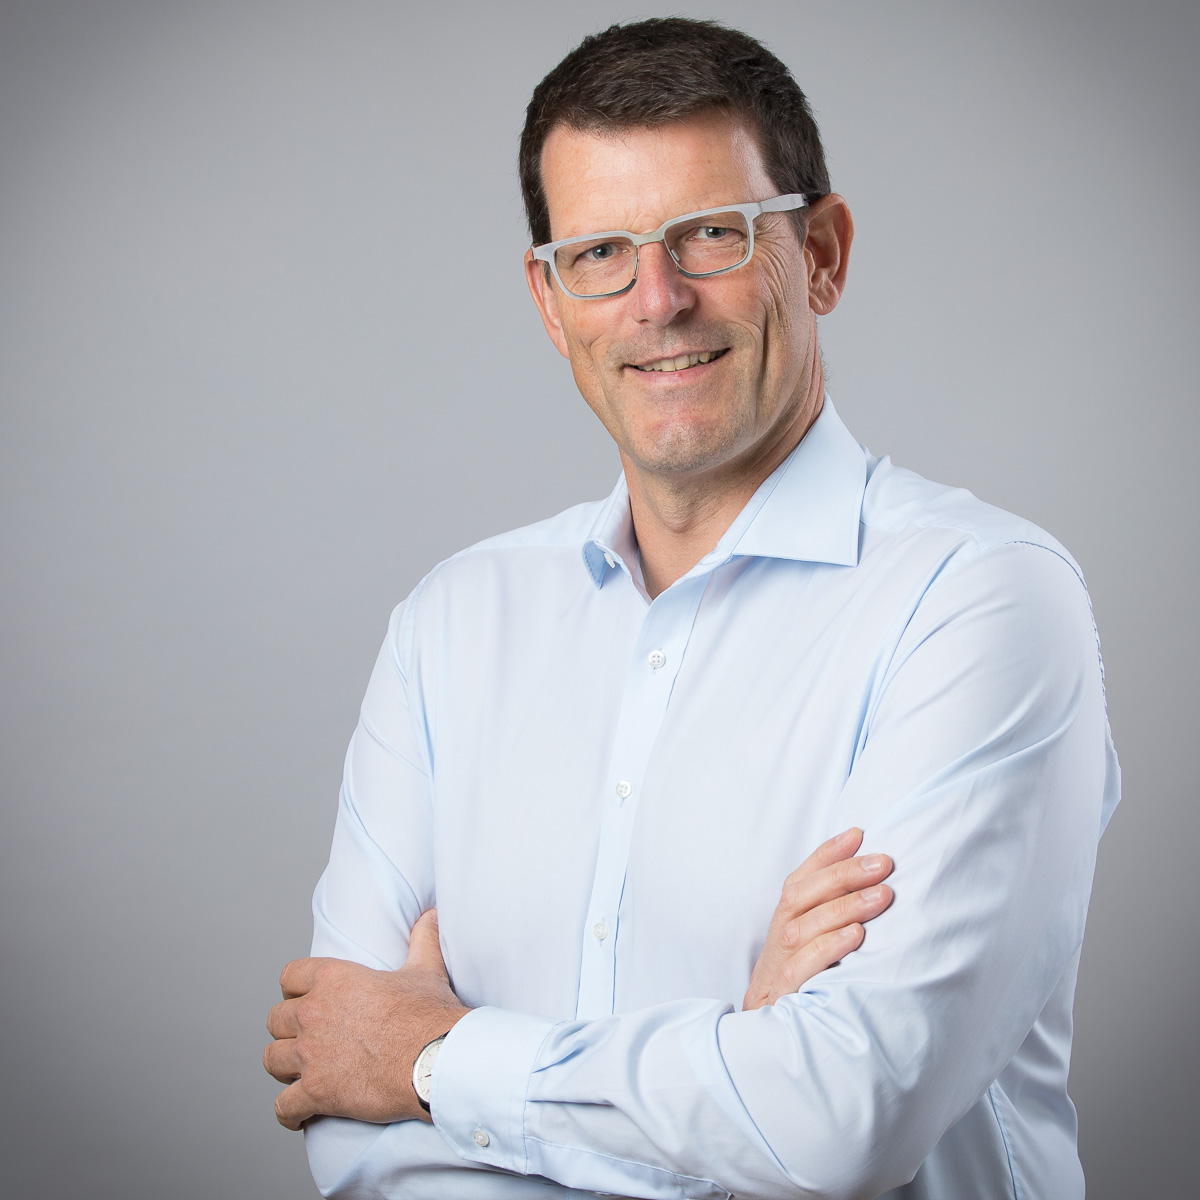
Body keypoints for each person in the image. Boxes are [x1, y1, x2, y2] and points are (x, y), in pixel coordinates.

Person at [263, 17, 1119, 1199]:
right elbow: (349, 1110)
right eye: (599, 253)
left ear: (823, 254)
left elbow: (844, 1121)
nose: (656, 301)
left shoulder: (979, 601)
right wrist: (741, 1059)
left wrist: (434, 1057)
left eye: (713, 234)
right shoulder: (450, 629)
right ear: (550, 300)